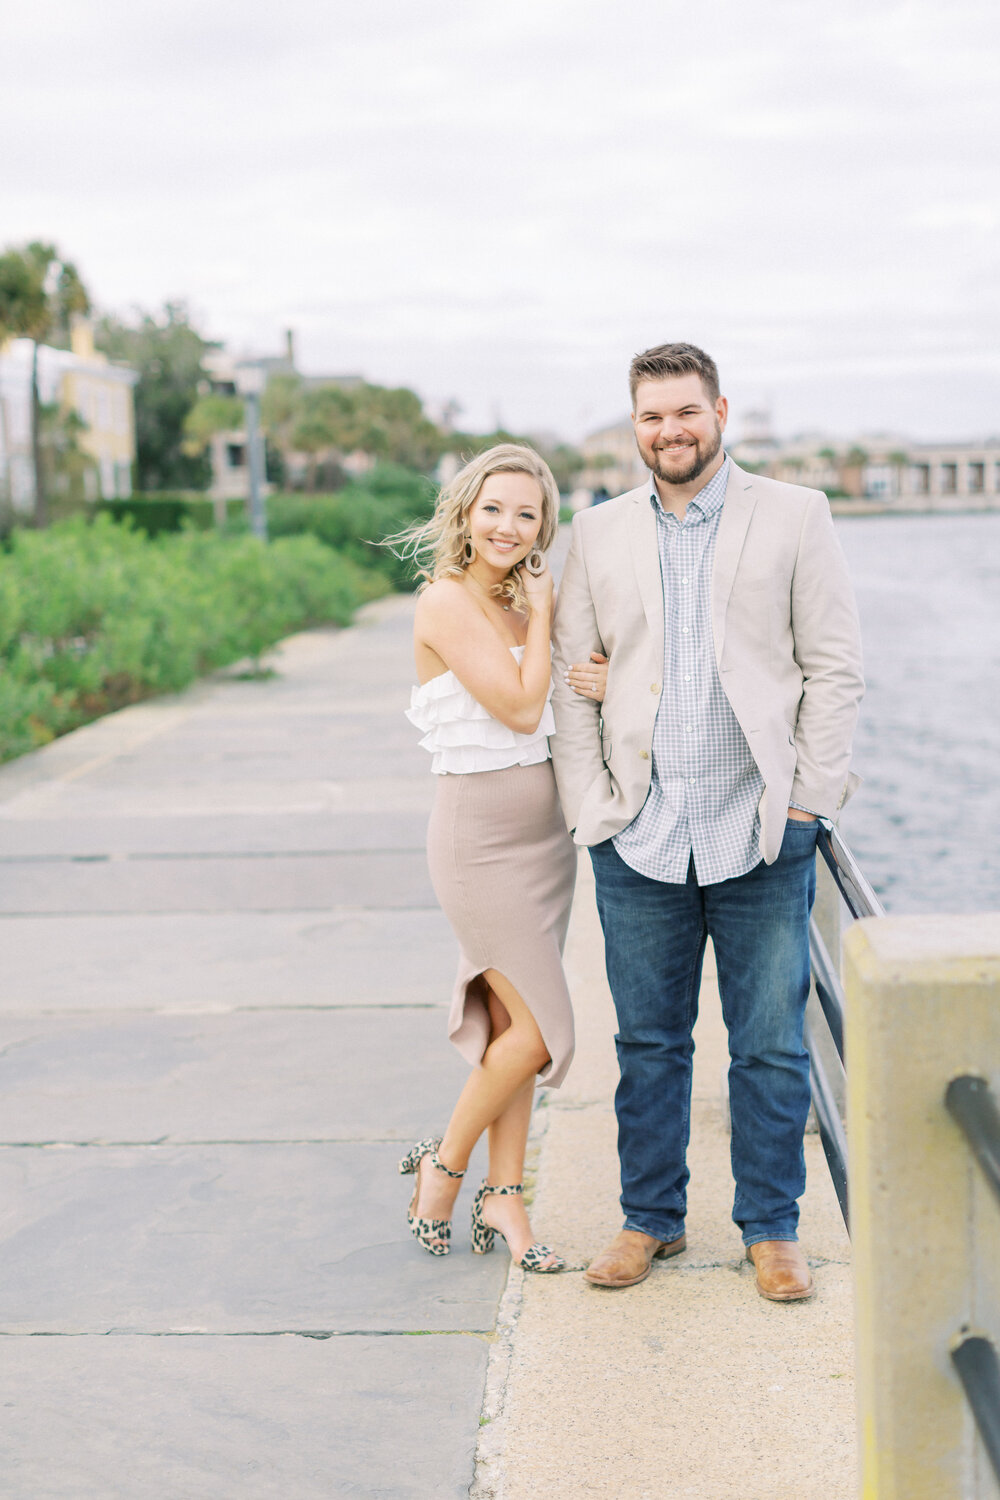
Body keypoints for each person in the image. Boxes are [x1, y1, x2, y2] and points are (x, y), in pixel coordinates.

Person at [550, 343, 864, 1301]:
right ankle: (650, 1219)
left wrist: (809, 799)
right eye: (651, 417)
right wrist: (592, 809)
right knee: (648, 1045)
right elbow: (574, 683)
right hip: (638, 834)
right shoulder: (597, 535)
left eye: (685, 412)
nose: (669, 431)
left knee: (769, 1043)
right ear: (633, 425)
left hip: (762, 828)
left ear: (720, 412)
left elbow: (835, 669)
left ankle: (772, 1230)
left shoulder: (795, 514)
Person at [398, 443, 606, 1272]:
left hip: (545, 851)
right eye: (494, 509)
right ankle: (443, 1169)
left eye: (527, 513)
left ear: (543, 525)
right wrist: (550, 618)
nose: (509, 527)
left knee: (515, 1030)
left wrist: (587, 672)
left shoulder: (521, 609)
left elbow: (556, 700)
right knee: (545, 1035)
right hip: (478, 847)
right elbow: (522, 709)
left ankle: (506, 1200)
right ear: (466, 512)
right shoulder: (446, 601)